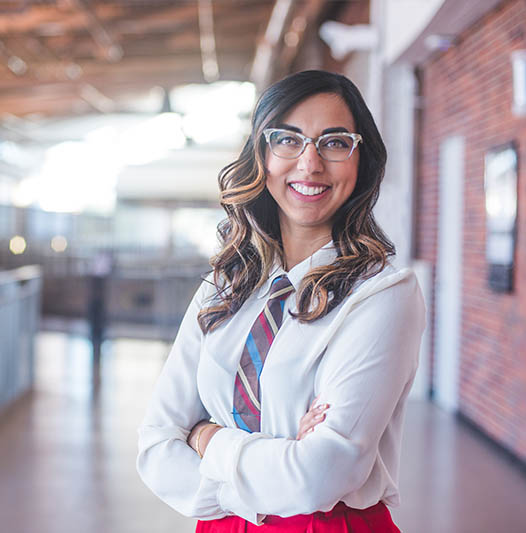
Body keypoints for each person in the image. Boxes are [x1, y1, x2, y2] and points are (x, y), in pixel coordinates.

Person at [136, 70, 426, 532]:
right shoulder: (224, 286)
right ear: (262, 155)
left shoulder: (383, 294)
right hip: (220, 525)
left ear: (360, 159)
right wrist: (281, 454)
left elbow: (320, 476)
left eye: (334, 142)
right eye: (288, 140)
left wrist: (208, 437)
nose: (310, 164)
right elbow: (154, 446)